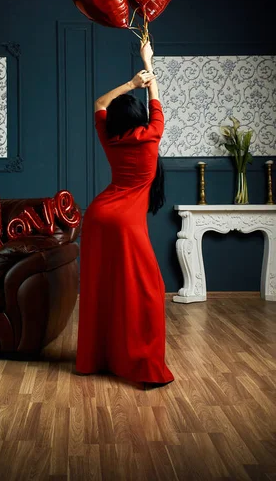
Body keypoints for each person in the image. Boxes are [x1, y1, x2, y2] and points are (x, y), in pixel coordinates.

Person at [75, 39, 174, 389]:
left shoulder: (110, 137)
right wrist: (148, 66)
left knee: (103, 288)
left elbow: (100, 102)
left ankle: (97, 360)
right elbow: (156, 99)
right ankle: (142, 364)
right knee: (147, 291)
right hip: (126, 224)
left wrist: (132, 82)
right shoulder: (151, 135)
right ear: (141, 118)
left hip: (99, 217)